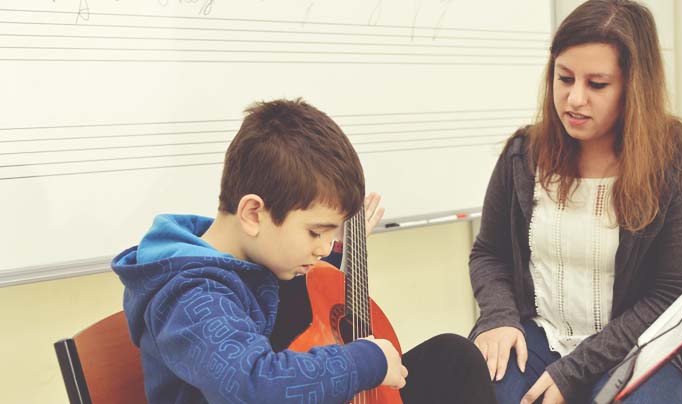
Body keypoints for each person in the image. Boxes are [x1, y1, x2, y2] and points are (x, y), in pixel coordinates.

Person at [113, 98, 495, 404]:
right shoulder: (192, 296)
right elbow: (254, 386)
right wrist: (368, 360)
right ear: (252, 213)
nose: (323, 248)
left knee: (452, 359)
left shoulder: (256, 255)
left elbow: (297, 302)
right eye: (315, 232)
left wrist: (338, 251)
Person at [468, 1, 682, 403]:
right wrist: (499, 318)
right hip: (542, 333)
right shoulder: (524, 154)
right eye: (565, 78)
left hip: (642, 344)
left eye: (597, 84)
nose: (574, 99)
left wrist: (573, 370)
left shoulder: (679, 165)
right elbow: (489, 253)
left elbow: (674, 299)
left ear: (633, 87)